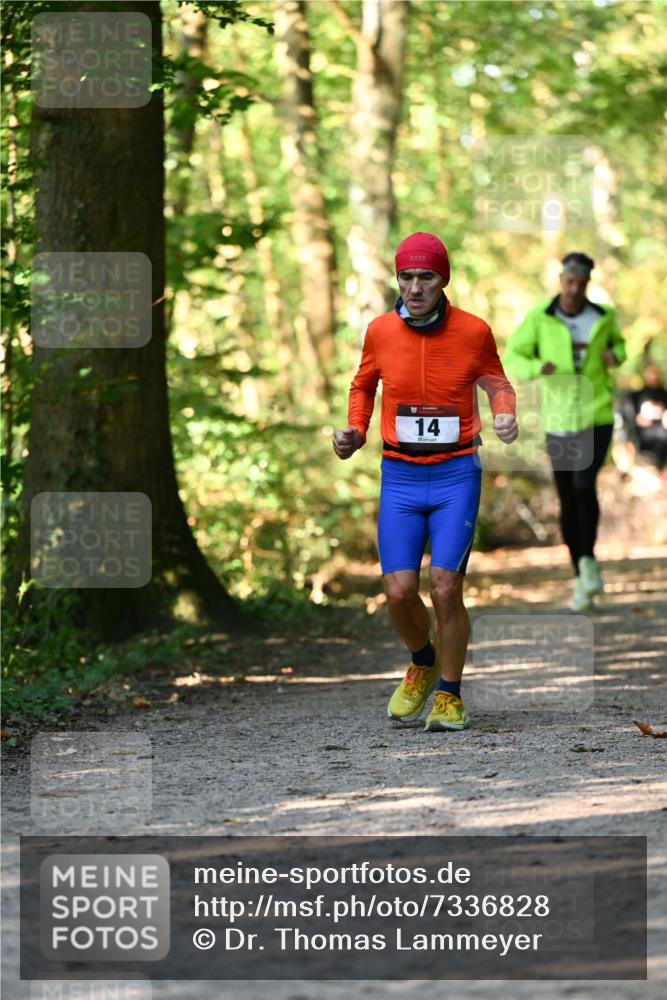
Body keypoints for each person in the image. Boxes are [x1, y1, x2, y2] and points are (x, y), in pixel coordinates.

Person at [333, 232, 518, 732]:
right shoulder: (379, 331)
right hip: (399, 474)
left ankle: (450, 694)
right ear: (398, 278)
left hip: (457, 472)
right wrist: (356, 430)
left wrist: (504, 414)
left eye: (426, 277)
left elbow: (497, 382)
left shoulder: (474, 331)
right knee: (397, 590)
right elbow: (362, 383)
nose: (415, 287)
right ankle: (422, 659)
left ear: (443, 280)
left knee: (444, 585)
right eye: (407, 276)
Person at [504, 252, 627, 611]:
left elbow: (619, 346)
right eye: (568, 281)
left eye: (581, 282)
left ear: (588, 282)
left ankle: (588, 560)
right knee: (567, 497)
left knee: (584, 485)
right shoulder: (541, 316)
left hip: (596, 413)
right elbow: (512, 355)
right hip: (557, 419)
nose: (574, 288)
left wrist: (615, 356)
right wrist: (534, 365)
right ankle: (580, 575)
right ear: (561, 280)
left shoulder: (602, 316)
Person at [623, 363, 667, 471]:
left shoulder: (664, 395)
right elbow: (629, 416)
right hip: (642, 442)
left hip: (662, 443)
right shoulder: (637, 396)